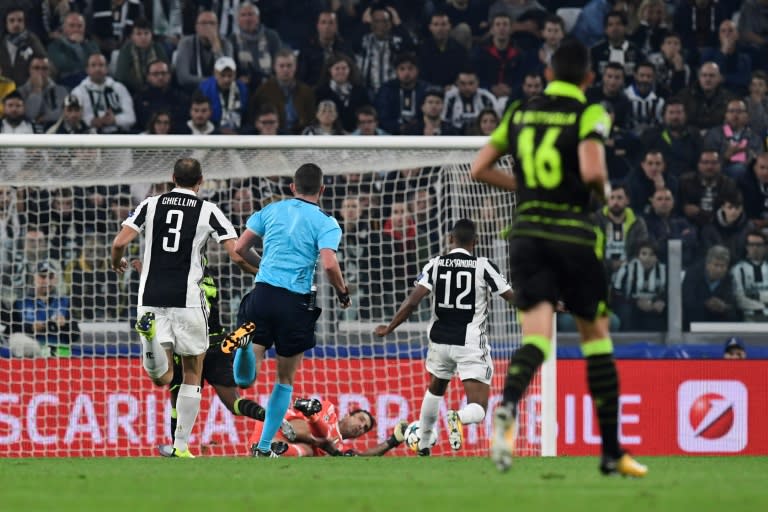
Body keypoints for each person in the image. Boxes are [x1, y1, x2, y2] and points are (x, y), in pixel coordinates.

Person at [469, 39, 647, 477]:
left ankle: (507, 412)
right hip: (573, 234)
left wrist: (528, 189)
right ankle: (611, 452)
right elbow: (592, 171)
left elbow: (480, 168)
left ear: (547, 74)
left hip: (527, 236)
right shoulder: (590, 112)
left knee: (536, 340)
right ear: (588, 78)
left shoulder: (519, 112)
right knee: (597, 339)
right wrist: (602, 197)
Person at [110, 158, 260, 458]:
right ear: (200, 181)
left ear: (172, 178)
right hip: (188, 300)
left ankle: (151, 337)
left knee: (162, 378)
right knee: (193, 370)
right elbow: (238, 255)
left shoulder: (150, 205)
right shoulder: (208, 210)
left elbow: (118, 243)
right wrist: (264, 272)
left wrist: (117, 263)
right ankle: (181, 446)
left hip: (150, 298)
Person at [222, 163, 351, 458]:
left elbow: (240, 248)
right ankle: (264, 447)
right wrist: (343, 292)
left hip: (262, 294)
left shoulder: (271, 210)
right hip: (294, 302)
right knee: (285, 380)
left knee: (245, 379)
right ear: (322, 190)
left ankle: (242, 348)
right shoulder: (327, 222)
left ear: (292, 187)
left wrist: (264, 264)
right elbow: (330, 264)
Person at [374, 219, 514, 455]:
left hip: (439, 341)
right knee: (478, 406)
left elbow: (412, 302)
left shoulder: (435, 264)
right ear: (475, 241)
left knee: (436, 388)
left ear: (450, 239)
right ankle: (458, 417)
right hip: (469, 342)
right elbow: (511, 296)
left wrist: (390, 328)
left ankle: (425, 441)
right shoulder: (483, 265)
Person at [155, 266, 295, 457]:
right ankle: (270, 417)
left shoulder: (180, 276)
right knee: (234, 403)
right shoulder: (208, 277)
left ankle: (177, 447)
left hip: (191, 343)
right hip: (218, 343)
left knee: (177, 397)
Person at [247, 397, 408, 457]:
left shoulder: (339, 448)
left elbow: (364, 457)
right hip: (274, 424)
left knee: (310, 451)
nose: (360, 426)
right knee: (317, 439)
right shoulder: (329, 409)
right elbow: (324, 437)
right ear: (347, 415)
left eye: (364, 428)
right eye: (360, 419)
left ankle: (269, 451)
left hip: (264, 443)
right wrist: (332, 450)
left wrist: (393, 441)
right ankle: (311, 415)